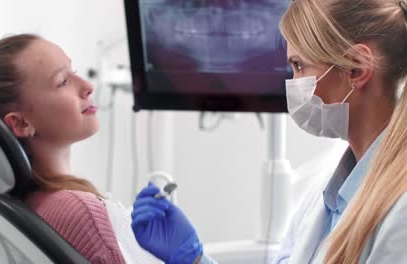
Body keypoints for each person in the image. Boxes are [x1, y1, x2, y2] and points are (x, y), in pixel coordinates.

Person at [130, 0, 407, 263]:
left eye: (299, 65)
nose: (292, 83)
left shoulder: (400, 211)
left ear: (356, 68)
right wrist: (195, 259)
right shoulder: (328, 195)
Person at [0, 34, 164, 264]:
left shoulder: (33, 205)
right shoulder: (80, 214)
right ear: (21, 123)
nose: (88, 86)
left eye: (74, 72)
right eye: (62, 82)